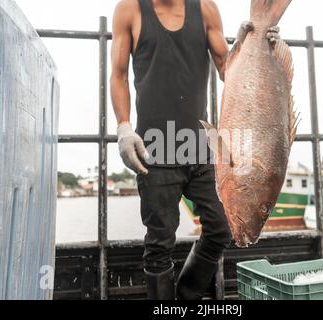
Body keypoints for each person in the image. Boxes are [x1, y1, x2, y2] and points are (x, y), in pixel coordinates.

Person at [111, 0, 280, 300]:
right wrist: (124, 126)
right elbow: (119, 74)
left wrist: (249, 47)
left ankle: (186, 299)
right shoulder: (130, 9)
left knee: (221, 228)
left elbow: (227, 69)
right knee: (159, 244)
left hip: (201, 146)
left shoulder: (204, 9)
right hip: (154, 149)